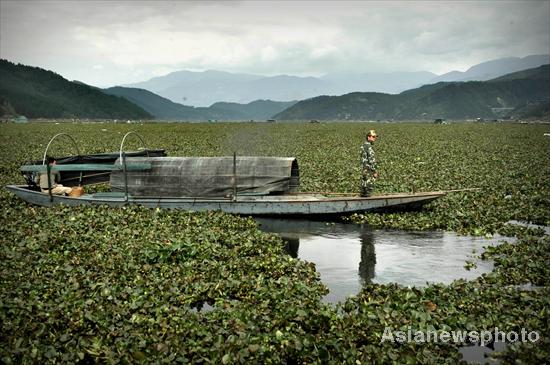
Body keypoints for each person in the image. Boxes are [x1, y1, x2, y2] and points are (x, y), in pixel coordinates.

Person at [360, 129, 378, 197]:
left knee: (364, 186)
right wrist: (374, 171)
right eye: (373, 136)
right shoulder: (369, 147)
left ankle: (363, 196)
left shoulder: (363, 146)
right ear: (368, 137)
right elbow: (371, 160)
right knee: (369, 187)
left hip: (364, 169)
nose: (374, 138)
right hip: (369, 169)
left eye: (375, 137)